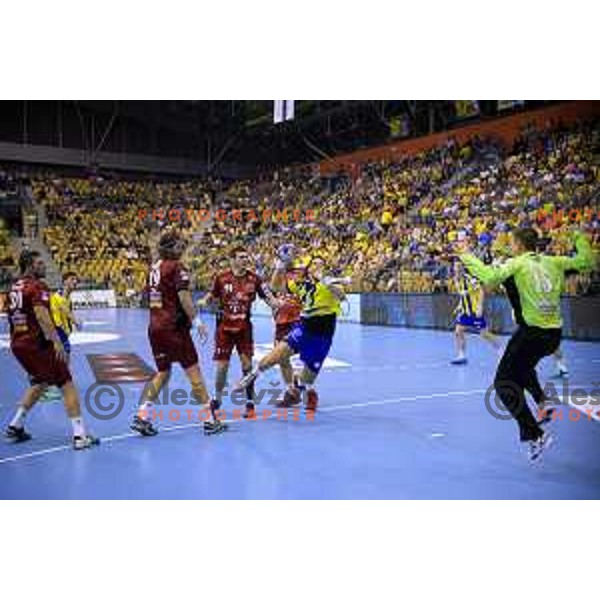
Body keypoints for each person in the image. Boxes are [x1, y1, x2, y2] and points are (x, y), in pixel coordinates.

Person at [457, 228, 594, 462]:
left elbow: (488, 278)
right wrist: (578, 236)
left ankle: (535, 435)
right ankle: (543, 400)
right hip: (554, 335)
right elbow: (585, 261)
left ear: (519, 244)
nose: (511, 245)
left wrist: (466, 255)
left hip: (531, 333)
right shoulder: (554, 261)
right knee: (523, 368)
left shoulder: (517, 264)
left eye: (512, 242)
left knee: (503, 383)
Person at [4, 250, 99, 450]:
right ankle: (80, 436)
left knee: (41, 381)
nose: (44, 265)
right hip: (38, 344)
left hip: (18, 344)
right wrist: (56, 342)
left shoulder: (14, 287)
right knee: (67, 383)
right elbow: (42, 316)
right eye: (39, 263)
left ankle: (15, 425)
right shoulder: (38, 286)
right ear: (29, 265)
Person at [234, 251, 349, 414]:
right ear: (309, 270)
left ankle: (300, 388)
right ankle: (251, 376)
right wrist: (279, 265)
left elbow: (342, 296)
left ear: (325, 268)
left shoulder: (332, 283)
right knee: (278, 353)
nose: (317, 266)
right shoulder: (300, 284)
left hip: (322, 336)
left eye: (320, 264)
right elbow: (275, 287)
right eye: (314, 263)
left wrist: (327, 282)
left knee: (306, 380)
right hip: (303, 329)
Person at [131, 231, 220, 436]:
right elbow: (184, 297)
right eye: (180, 245)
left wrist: (160, 316)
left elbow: (153, 300)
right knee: (193, 370)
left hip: (155, 328)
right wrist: (197, 321)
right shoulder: (176, 267)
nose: (183, 249)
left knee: (163, 372)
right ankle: (209, 419)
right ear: (169, 247)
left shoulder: (154, 268)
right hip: (174, 329)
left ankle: (142, 415)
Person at [197, 246, 279, 419]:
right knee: (222, 368)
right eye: (241, 257)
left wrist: (275, 304)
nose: (245, 260)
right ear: (232, 259)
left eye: (246, 257)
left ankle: (250, 403)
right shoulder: (221, 278)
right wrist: (204, 301)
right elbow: (211, 295)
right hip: (224, 329)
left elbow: (268, 296)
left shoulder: (254, 279)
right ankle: (217, 399)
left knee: (247, 367)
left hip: (244, 329)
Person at [41, 271, 82, 402]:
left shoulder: (67, 296)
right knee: (62, 358)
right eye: (72, 279)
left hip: (63, 332)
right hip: (58, 331)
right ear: (64, 281)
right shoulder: (59, 296)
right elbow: (65, 310)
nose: (75, 282)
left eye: (76, 280)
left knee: (61, 359)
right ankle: (49, 388)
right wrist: (76, 322)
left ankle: (54, 385)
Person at [450, 262, 502, 365]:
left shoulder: (470, 279)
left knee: (484, 334)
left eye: (459, 267)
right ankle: (462, 356)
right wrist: (459, 306)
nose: (457, 269)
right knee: (458, 331)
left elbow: (481, 291)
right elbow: (463, 296)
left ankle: (501, 350)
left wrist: (480, 307)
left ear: (462, 268)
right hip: (465, 311)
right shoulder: (456, 280)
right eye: (455, 267)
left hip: (474, 310)